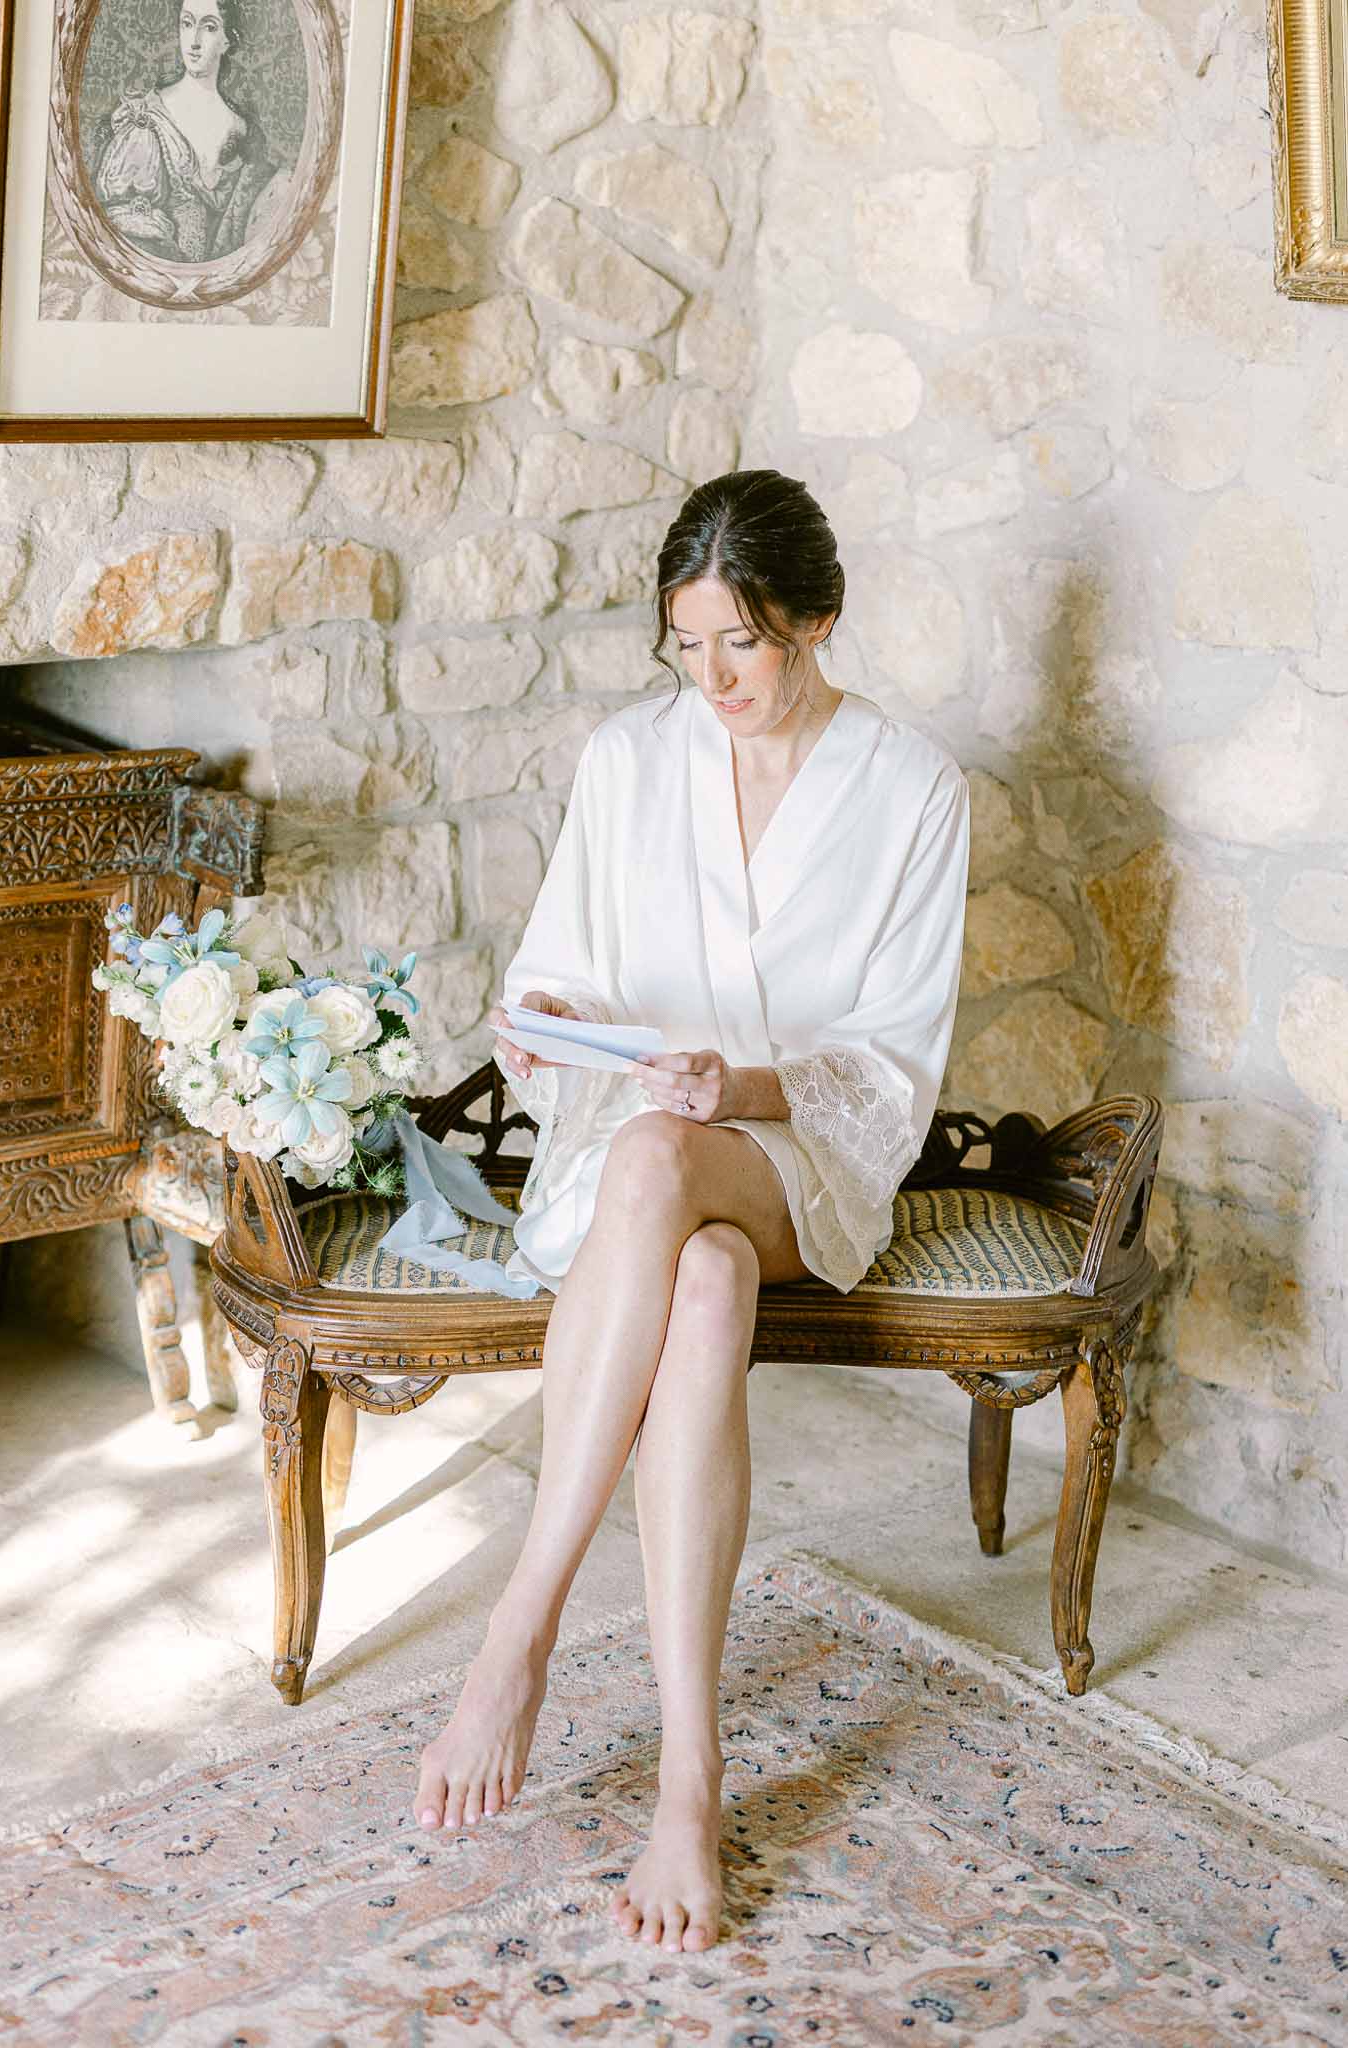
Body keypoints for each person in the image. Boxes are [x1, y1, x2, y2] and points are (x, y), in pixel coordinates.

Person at [411, 469, 971, 1955]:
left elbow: (893, 1062)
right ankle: (688, 1776)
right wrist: (542, 1026)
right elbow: (558, 970)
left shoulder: (914, 789)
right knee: (700, 1278)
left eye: (744, 644)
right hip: (637, 1155)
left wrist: (738, 1083)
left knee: (677, 1158)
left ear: (817, 622)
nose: (712, 679)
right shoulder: (627, 757)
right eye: (687, 645)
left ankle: (519, 1626)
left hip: (801, 1157)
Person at [92, 2, 284, 263]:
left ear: (227, 40)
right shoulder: (145, 120)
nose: (193, 41)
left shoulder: (243, 130)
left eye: (208, 27)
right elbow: (126, 239)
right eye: (187, 23)